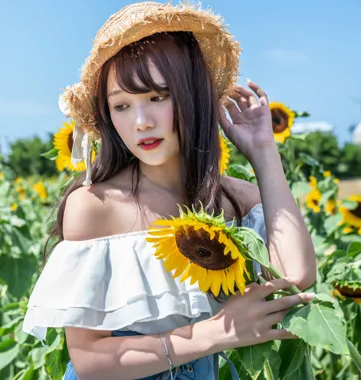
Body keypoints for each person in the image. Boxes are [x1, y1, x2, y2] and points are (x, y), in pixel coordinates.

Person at [23, 2, 317, 379]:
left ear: (191, 96)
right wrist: (213, 333)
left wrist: (263, 152)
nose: (141, 122)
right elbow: (90, 362)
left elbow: (295, 276)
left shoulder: (234, 200)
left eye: (158, 97)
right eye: (122, 106)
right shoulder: (96, 205)